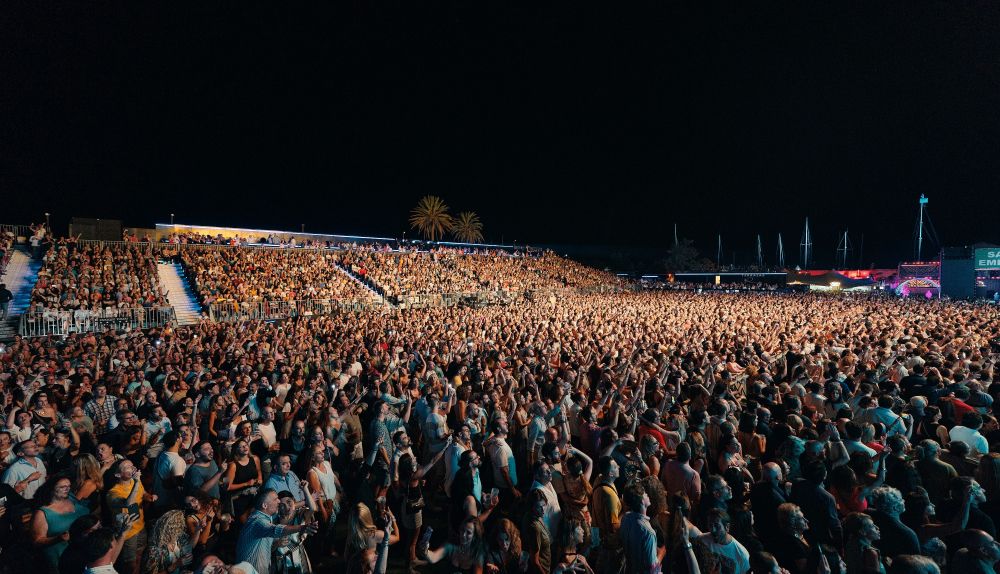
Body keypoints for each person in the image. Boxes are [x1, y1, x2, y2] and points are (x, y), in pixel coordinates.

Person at [235, 489, 317, 574]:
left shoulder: (268, 518)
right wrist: (302, 527)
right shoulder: (258, 521)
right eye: (275, 499)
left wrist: (304, 500)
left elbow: (290, 507)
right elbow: (276, 529)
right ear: (265, 505)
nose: (278, 501)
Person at [31, 475, 90, 574]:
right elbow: (37, 541)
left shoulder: (71, 497)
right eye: (62, 487)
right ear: (51, 489)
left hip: (83, 552)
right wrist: (58, 538)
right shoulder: (42, 513)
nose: (67, 489)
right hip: (61, 558)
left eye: (69, 486)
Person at [105, 459, 156, 574]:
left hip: (141, 527)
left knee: (140, 556)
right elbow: (128, 503)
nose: (132, 468)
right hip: (127, 533)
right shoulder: (113, 493)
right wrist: (137, 482)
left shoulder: (134, 482)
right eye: (127, 467)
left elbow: (143, 493)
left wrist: (149, 497)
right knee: (130, 565)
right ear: (118, 474)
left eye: (132, 465)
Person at [619, 483, 661, 574]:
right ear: (642, 501)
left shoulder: (625, 518)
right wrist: (662, 553)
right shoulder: (648, 532)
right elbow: (652, 569)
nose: (647, 495)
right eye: (645, 494)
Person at [693, 509, 750, 574]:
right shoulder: (701, 540)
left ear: (727, 527)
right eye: (710, 525)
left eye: (717, 526)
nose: (713, 530)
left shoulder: (742, 555)